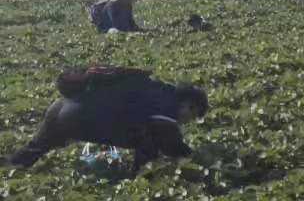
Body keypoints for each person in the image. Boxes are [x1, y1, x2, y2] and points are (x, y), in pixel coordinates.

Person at [10, 68, 208, 175]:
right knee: (150, 138)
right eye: (193, 115)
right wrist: (198, 160)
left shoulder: (155, 89)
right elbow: (171, 145)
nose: (188, 121)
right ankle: (140, 177)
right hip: (85, 118)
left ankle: (12, 166)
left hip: (60, 107)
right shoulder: (168, 105)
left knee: (34, 149)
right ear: (189, 104)